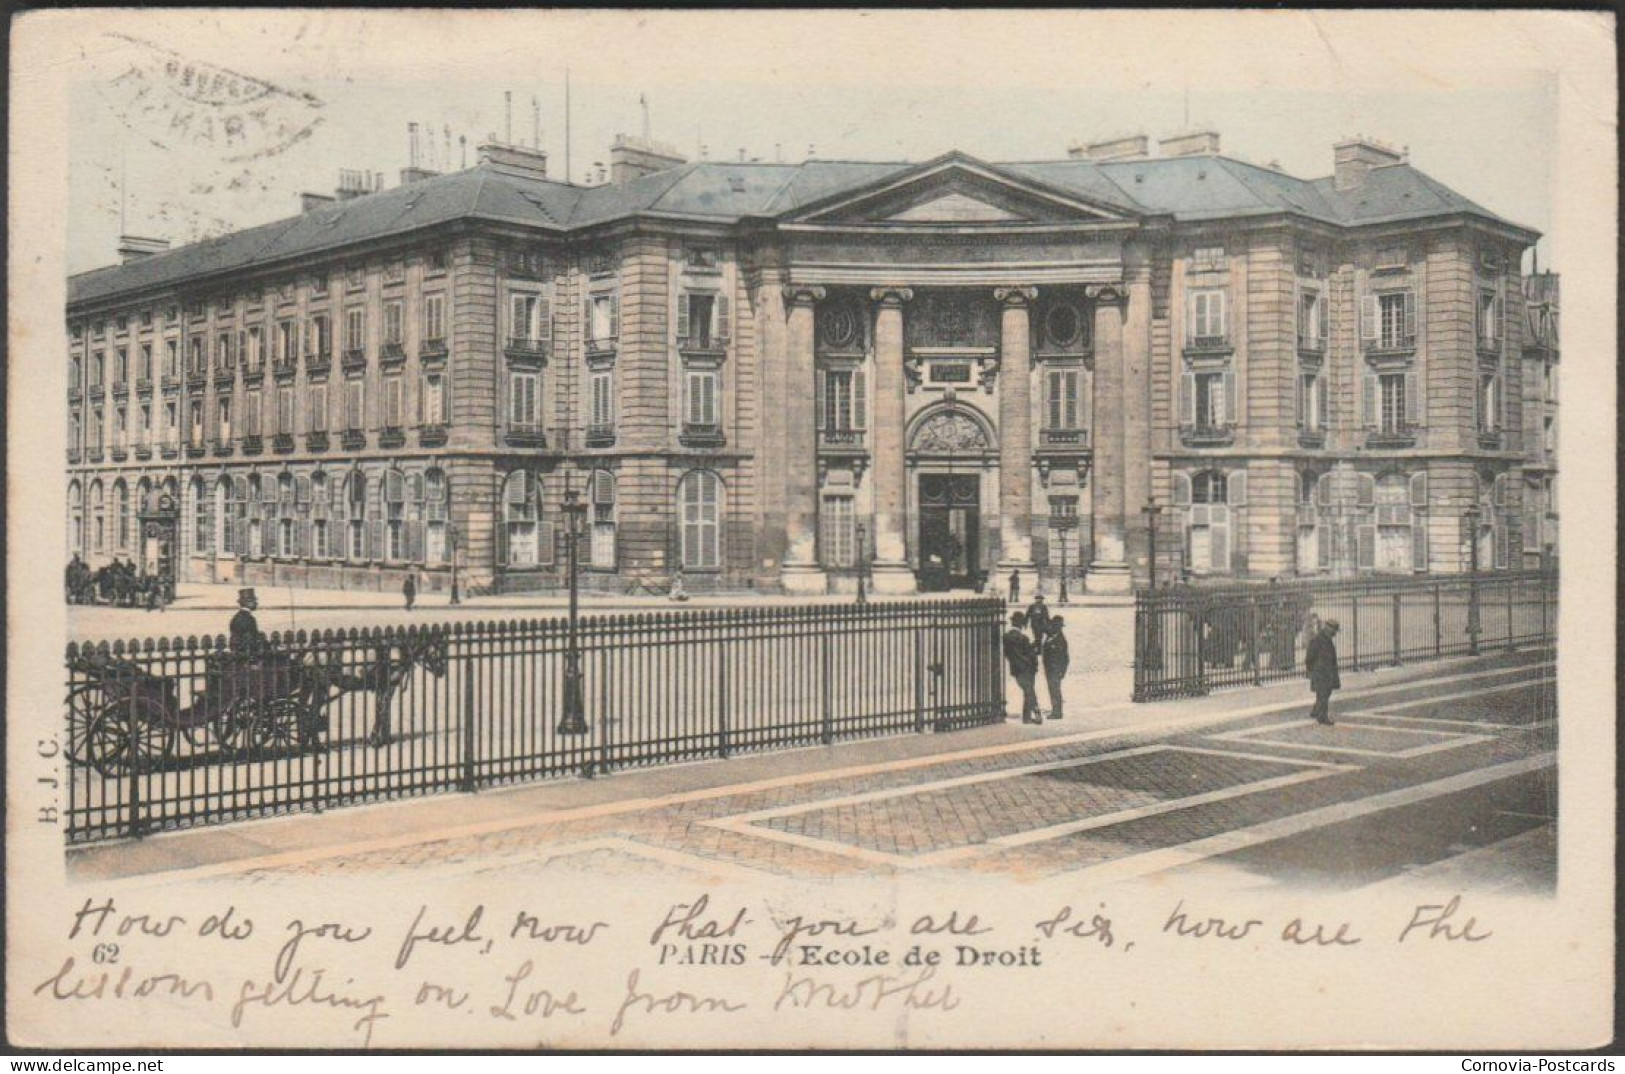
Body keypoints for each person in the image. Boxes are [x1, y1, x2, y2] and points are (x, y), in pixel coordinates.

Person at [1003, 612, 1041, 724]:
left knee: (1028, 691)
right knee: (1029, 691)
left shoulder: (1006, 636)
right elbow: (1027, 654)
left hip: (1016, 670)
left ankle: (1028, 716)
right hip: (1027, 669)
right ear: (1021, 624)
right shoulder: (1023, 638)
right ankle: (1034, 713)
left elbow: (1012, 654)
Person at [1305, 618, 1342, 726]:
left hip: (1327, 672)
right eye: (1334, 630)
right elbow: (1309, 657)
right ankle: (1322, 717)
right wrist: (1312, 670)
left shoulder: (1327, 640)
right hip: (1320, 673)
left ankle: (1315, 710)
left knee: (1325, 693)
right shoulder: (1317, 640)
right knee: (1323, 695)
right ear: (1328, 628)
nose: (1334, 633)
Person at [1041, 616, 1070, 721]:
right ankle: (1055, 710)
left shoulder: (1061, 640)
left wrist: (1062, 672)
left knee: (1055, 690)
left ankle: (1057, 712)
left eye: (1056, 626)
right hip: (1049, 669)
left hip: (1056, 670)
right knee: (1052, 690)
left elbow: (1066, 659)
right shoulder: (1050, 636)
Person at [229, 588, 266, 655]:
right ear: (246, 603)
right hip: (246, 654)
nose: (256, 603)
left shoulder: (238, 616)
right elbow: (249, 639)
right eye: (253, 601)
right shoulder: (247, 618)